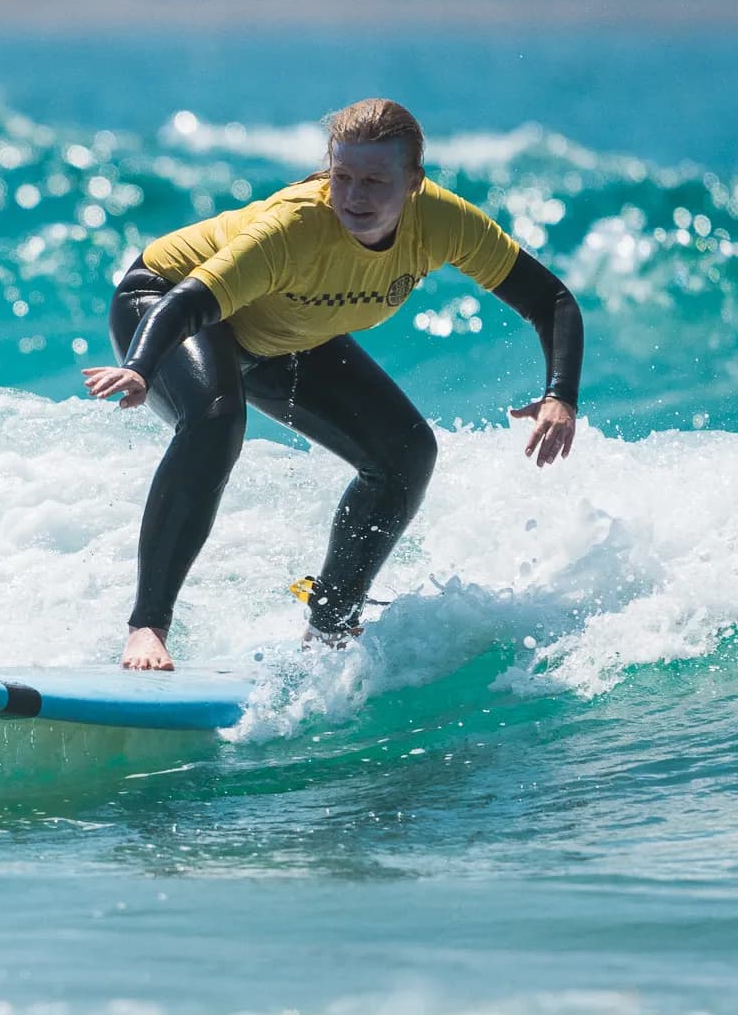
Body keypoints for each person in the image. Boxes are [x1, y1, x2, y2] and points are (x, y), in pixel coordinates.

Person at [83, 98, 583, 671]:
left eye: (374, 181)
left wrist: (560, 396)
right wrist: (141, 366)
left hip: (284, 329)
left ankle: (330, 626)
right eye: (341, 177)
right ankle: (147, 627)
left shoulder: (444, 223)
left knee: (405, 453)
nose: (353, 196)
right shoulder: (295, 226)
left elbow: (551, 300)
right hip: (163, 298)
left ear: (414, 182)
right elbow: (188, 303)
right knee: (215, 421)